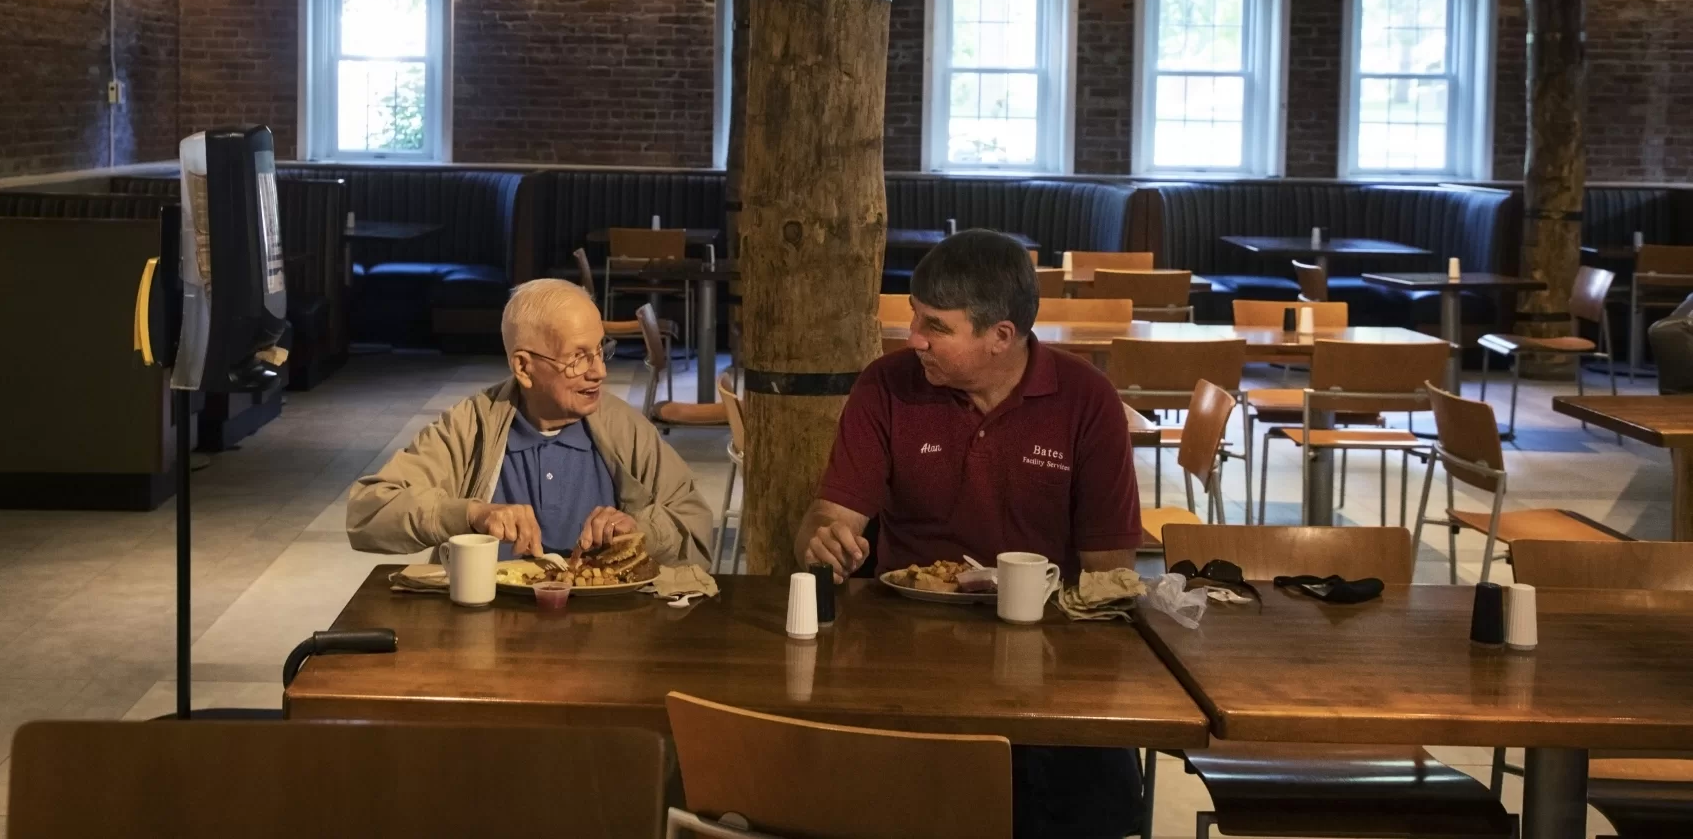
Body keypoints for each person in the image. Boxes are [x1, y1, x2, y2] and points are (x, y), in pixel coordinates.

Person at [794, 230, 1145, 839]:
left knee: (1085, 786)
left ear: (1000, 337)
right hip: (905, 656)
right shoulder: (887, 385)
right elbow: (830, 518)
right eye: (914, 318)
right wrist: (825, 538)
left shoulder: (1085, 399)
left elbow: (1109, 574)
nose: (915, 339)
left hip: (1048, 659)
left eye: (936, 326)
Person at [348, 277, 714, 565]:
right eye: (578, 358)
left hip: (607, 632)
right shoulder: (472, 426)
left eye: (601, 350)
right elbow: (369, 512)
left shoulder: (623, 427)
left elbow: (695, 526)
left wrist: (641, 532)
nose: (599, 371)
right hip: (488, 627)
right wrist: (471, 514)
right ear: (524, 367)